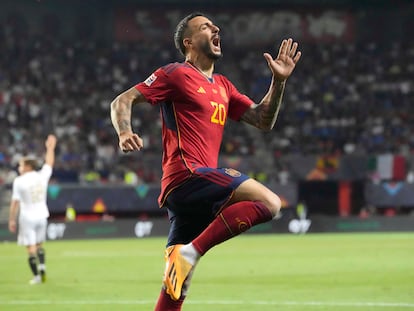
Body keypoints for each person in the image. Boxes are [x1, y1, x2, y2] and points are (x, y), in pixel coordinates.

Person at [110, 12, 301, 311]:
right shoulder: (175, 74)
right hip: (187, 176)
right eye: (205, 27)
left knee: (175, 287)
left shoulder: (223, 85)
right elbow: (121, 100)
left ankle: (186, 255)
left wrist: (278, 81)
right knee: (271, 203)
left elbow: (264, 120)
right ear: (188, 42)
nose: (215, 28)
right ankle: (194, 251)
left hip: (191, 194)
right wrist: (125, 132)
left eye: (214, 26)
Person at [8, 134, 57, 285]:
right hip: (42, 215)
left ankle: (36, 276)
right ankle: (42, 266)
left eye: (21, 165)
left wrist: (11, 219)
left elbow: (15, 202)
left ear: (27, 167)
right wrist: (50, 148)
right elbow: (49, 163)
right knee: (40, 244)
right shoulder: (41, 176)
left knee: (31, 248)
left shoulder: (19, 181)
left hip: (27, 217)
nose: (19, 168)